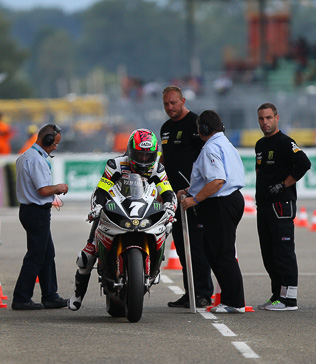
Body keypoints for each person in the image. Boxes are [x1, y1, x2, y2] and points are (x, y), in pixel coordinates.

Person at [69, 128, 177, 311]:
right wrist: (97, 207)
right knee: (86, 257)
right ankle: (78, 294)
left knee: (166, 227)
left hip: (143, 207)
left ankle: (154, 266)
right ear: (130, 151)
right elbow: (102, 189)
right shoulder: (116, 164)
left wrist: (170, 208)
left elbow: (168, 192)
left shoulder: (158, 168)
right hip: (117, 206)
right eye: (139, 155)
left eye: (147, 156)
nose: (143, 160)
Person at [179, 110, 246, 314]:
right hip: (229, 200)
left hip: (221, 203)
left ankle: (234, 302)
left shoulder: (210, 148)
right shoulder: (224, 144)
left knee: (222, 253)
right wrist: (190, 190)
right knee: (213, 251)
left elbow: (217, 181)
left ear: (203, 128)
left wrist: (194, 199)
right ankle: (229, 298)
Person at [160, 85, 214, 308]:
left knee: (197, 247)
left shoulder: (195, 123)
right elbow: (166, 158)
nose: (170, 107)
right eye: (166, 104)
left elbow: (209, 153)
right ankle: (190, 291)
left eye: (173, 102)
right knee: (182, 248)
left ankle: (203, 293)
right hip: (174, 197)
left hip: (194, 196)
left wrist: (197, 190)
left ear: (183, 101)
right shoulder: (164, 128)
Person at [255, 103, 311, 311]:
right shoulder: (260, 144)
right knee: (268, 253)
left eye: (268, 118)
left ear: (277, 118)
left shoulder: (285, 142)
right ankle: (277, 295)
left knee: (283, 252)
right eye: (261, 119)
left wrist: (283, 185)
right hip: (264, 205)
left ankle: (289, 299)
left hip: (281, 205)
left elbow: (304, 163)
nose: (265, 122)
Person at [12, 124, 68, 310]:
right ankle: (21, 297)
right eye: (55, 144)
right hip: (36, 212)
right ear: (47, 140)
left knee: (46, 253)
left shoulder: (26, 156)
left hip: (31, 211)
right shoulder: (36, 160)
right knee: (36, 256)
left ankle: (50, 295)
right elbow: (43, 189)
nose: (55, 147)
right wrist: (59, 187)